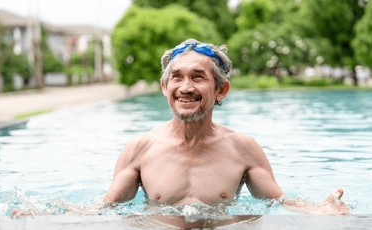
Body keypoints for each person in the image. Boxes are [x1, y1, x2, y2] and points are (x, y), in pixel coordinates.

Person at [102, 38, 349, 215]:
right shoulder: (139, 149)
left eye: (198, 77)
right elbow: (105, 210)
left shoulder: (243, 148)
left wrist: (319, 210)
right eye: (176, 77)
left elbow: (278, 202)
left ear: (221, 90)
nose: (185, 87)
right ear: (165, 87)